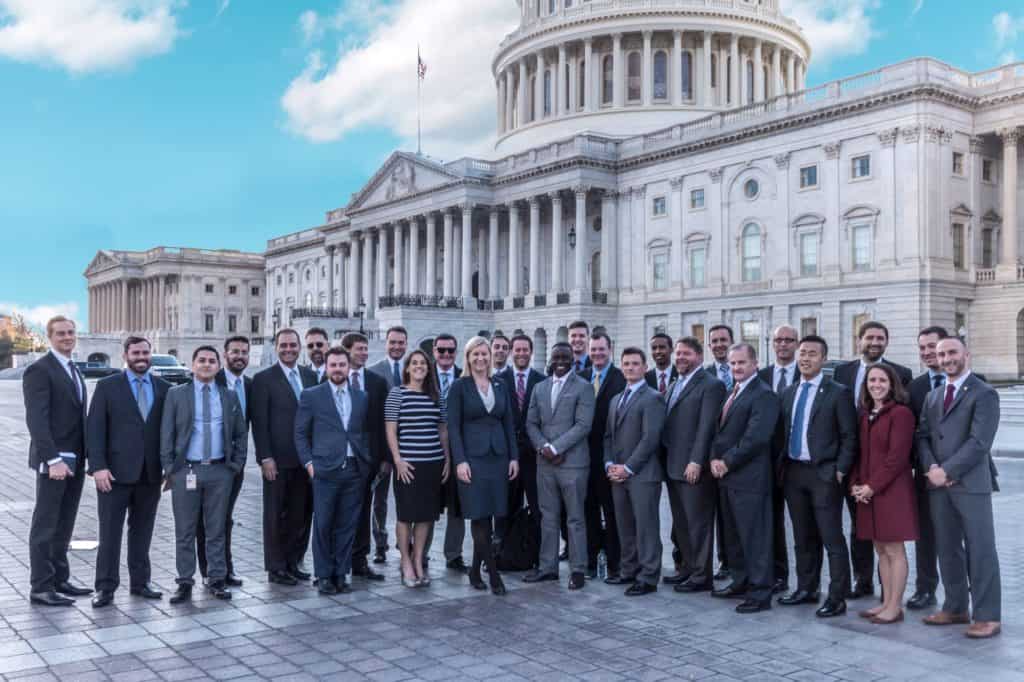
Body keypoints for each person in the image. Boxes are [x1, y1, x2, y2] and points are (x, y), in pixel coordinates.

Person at [918, 337, 1001, 639]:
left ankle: (988, 615)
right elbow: (923, 436)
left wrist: (948, 471)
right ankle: (955, 607)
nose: (946, 358)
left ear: (966, 354)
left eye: (952, 352)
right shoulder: (934, 395)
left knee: (981, 550)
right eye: (941, 354)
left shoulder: (984, 393)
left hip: (970, 483)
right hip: (938, 484)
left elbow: (980, 442)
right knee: (947, 547)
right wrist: (932, 469)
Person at [777, 335, 858, 618]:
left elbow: (849, 436)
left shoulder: (838, 392)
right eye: (802, 353)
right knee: (802, 537)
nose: (805, 358)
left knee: (831, 537)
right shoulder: (788, 392)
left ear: (823, 359)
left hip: (824, 474)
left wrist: (839, 470)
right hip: (794, 473)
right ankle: (806, 588)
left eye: (812, 353)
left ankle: (837, 597)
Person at [160, 346, 248, 604]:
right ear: (192, 364)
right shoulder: (176, 395)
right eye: (202, 360)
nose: (207, 365)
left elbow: (240, 434)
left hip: (220, 471)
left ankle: (216, 579)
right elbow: (166, 434)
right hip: (187, 470)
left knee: (216, 529)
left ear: (219, 366)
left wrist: (236, 465)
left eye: (212, 361)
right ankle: (185, 582)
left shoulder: (229, 396)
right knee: (185, 530)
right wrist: (170, 469)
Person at [87, 336, 169, 608]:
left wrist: (170, 469)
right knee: (110, 533)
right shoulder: (107, 386)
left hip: (150, 475)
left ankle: (140, 582)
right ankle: (105, 588)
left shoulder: (164, 388)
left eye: (145, 352)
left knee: (142, 532)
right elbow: (95, 430)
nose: (141, 357)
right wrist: (98, 467)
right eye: (136, 353)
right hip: (114, 475)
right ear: (126, 355)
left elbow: (170, 432)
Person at [833, 320, 912, 599]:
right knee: (860, 528)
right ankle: (862, 580)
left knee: (888, 536)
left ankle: (888, 592)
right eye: (870, 337)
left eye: (880, 338)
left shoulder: (902, 375)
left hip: (883, 470)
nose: (875, 342)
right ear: (860, 340)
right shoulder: (842, 371)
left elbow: (900, 441)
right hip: (851, 464)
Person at [23, 316, 92, 606]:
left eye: (71, 332)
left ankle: (60, 578)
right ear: (49, 337)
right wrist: (52, 459)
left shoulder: (72, 368)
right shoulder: (40, 370)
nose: (67, 337)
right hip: (55, 462)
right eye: (61, 333)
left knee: (65, 524)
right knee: (46, 524)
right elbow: (37, 420)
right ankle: (40, 586)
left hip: (75, 461)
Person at [294, 347, 372, 595]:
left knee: (347, 525)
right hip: (324, 470)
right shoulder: (312, 395)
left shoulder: (361, 397)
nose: (338, 369)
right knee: (324, 524)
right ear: (326, 368)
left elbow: (363, 431)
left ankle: (341, 573)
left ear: (349, 368)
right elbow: (300, 433)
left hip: (353, 469)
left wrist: (366, 460)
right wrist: (309, 464)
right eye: (333, 365)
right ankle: (324, 575)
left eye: (342, 365)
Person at [710, 343, 779, 614]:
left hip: (750, 479)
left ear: (754, 364)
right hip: (727, 478)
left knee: (755, 539)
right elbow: (722, 432)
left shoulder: (763, 394)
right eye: (733, 364)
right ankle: (740, 581)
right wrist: (714, 460)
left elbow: (756, 438)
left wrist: (726, 461)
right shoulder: (732, 391)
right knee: (734, 537)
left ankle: (760, 593)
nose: (736, 368)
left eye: (741, 363)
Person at [447, 336, 519, 595]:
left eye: (484, 354)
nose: (480, 358)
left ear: (490, 357)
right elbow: (453, 428)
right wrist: (460, 461)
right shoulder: (459, 386)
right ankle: (494, 575)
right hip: (473, 461)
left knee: (491, 515)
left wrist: (513, 457)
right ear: (467, 358)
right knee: (479, 518)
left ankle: (476, 571)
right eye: (475, 354)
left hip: (498, 459)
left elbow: (508, 423)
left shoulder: (500, 385)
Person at [850, 364, 918, 624]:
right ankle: (886, 602)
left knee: (894, 548)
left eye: (881, 380)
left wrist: (871, 486)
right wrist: (856, 484)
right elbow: (861, 453)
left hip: (892, 490)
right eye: (871, 380)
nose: (876, 384)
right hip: (869, 491)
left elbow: (897, 458)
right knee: (880, 548)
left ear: (892, 384)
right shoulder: (866, 414)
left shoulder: (901, 414)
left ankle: (895, 606)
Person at [524, 342, 594, 589]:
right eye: (557, 357)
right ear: (551, 360)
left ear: (573, 359)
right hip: (545, 465)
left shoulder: (584, 388)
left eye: (566, 356)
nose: (561, 360)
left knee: (575, 518)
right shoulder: (539, 387)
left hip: (573, 465)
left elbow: (583, 425)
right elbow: (531, 423)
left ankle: (578, 569)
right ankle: (548, 567)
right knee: (548, 517)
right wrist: (544, 447)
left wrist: (556, 448)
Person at [251, 329, 319, 585]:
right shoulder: (263, 379)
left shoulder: (311, 376)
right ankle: (276, 567)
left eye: (293, 345)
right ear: (276, 347)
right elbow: (259, 422)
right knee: (275, 514)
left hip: (306, 460)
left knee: (300, 514)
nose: (288, 349)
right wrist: (265, 457)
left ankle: (294, 561)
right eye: (284, 345)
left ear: (300, 347)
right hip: (277, 460)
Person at [662, 336, 726, 593]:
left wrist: (696, 461)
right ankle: (687, 568)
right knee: (682, 524)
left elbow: (706, 427)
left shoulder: (711, 385)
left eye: (686, 354)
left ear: (699, 356)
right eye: (678, 354)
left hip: (692, 468)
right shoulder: (676, 383)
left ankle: (702, 576)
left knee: (698, 524)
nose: (680, 358)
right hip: (672, 465)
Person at [386, 349, 450, 587]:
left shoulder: (436, 395)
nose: (419, 366)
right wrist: (398, 460)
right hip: (407, 466)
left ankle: (418, 559)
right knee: (406, 516)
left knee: (426, 516)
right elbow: (390, 429)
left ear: (428, 368)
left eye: (423, 363)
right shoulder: (397, 394)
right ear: (407, 368)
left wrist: (447, 460)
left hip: (432, 464)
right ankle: (405, 561)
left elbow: (443, 430)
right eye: (414, 363)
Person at [604, 348, 666, 596]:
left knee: (646, 527)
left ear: (645, 367)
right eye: (626, 364)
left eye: (635, 364)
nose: (630, 368)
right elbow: (608, 436)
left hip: (643, 474)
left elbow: (650, 439)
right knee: (625, 526)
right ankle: (628, 570)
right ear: (621, 367)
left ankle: (648, 576)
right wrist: (609, 465)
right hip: (617, 475)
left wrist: (628, 467)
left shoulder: (652, 398)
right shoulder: (615, 399)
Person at [198, 335, 251, 588]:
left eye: (244, 352)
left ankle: (225, 568)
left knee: (225, 517)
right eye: (234, 352)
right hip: (210, 463)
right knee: (206, 520)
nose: (239, 356)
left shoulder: (249, 384)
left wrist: (239, 462)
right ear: (225, 355)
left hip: (233, 465)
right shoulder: (209, 380)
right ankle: (209, 571)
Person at [904, 325, 949, 611]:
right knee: (926, 536)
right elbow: (913, 433)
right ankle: (925, 589)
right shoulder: (914, 387)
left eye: (931, 346)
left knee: (962, 536)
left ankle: (962, 591)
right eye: (921, 348)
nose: (926, 352)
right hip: (924, 473)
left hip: (962, 475)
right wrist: (926, 466)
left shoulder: (974, 381)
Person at [339, 332, 388, 581]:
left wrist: (383, 459)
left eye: (366, 349)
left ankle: (360, 561)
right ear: (346, 351)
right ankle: (338, 562)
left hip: (367, 460)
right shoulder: (335, 378)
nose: (364, 353)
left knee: (363, 511)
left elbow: (382, 424)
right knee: (338, 513)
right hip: (338, 459)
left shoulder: (377, 383)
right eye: (359, 349)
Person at [757, 324, 800, 595]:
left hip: (797, 462)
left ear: (796, 344)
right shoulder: (761, 376)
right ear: (772, 344)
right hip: (766, 461)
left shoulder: (807, 373)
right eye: (778, 340)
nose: (783, 344)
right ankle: (777, 574)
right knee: (770, 522)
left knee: (802, 525)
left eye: (788, 340)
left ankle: (808, 581)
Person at [579, 332, 625, 580]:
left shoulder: (620, 378)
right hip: (584, 457)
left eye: (601, 349)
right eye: (593, 349)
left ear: (610, 350)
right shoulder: (582, 377)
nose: (597, 354)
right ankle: (590, 559)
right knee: (588, 511)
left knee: (612, 512)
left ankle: (615, 563)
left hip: (610, 456)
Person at [496, 334, 546, 547]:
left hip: (534, 456)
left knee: (537, 506)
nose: (521, 353)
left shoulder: (541, 381)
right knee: (504, 506)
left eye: (525, 350)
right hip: (507, 455)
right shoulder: (498, 381)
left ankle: (534, 552)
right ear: (510, 352)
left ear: (531, 351)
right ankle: (502, 551)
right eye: (517, 350)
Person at [368, 325, 409, 564]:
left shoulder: (416, 369)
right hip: (383, 449)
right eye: (392, 342)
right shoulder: (374, 372)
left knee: (407, 498)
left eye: (401, 343)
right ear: (386, 343)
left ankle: (408, 543)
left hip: (409, 448)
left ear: (406, 344)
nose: (396, 347)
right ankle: (380, 543)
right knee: (380, 499)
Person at [431, 333, 467, 572]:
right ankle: (419, 553)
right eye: (441, 350)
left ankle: (453, 554)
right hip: (428, 450)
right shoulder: (422, 374)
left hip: (456, 451)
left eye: (450, 351)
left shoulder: (464, 377)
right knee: (426, 506)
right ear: (434, 350)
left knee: (457, 506)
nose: (445, 355)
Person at [704, 324, 735, 579]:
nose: (719, 345)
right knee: (711, 514)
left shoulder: (742, 372)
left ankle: (733, 561)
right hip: (708, 456)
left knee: (732, 514)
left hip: (735, 456)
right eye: (714, 341)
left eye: (723, 340)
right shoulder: (703, 375)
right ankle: (719, 561)